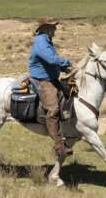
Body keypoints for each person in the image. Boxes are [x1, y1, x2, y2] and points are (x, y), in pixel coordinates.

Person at [28, 19, 71, 157]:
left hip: (51, 77)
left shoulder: (46, 40)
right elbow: (51, 59)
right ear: (46, 28)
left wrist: (63, 68)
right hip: (43, 80)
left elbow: (51, 61)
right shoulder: (41, 41)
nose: (55, 29)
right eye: (53, 27)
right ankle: (59, 145)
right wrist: (67, 62)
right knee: (53, 110)